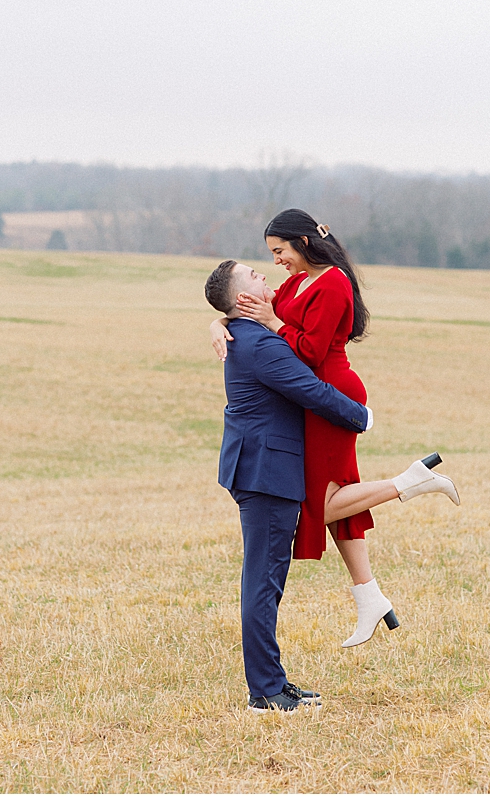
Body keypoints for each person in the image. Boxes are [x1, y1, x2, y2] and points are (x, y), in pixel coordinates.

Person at [211, 209, 460, 646]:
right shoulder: (299, 281)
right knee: (333, 494)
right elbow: (258, 310)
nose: (276, 263)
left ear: (303, 242)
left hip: (329, 394)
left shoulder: (333, 283)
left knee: (314, 505)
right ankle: (369, 596)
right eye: (270, 255)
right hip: (309, 395)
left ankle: (410, 481)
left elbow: (307, 350)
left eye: (280, 251)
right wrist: (221, 319)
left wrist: (272, 323)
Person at [204, 260, 372, 712]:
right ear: (245, 300)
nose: (266, 277)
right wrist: (362, 416)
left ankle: (272, 683)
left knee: (265, 580)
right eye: (256, 276)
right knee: (263, 583)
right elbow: (313, 391)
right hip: (266, 473)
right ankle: (266, 692)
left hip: (258, 468)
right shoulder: (262, 346)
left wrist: (218, 321)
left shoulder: (246, 335)